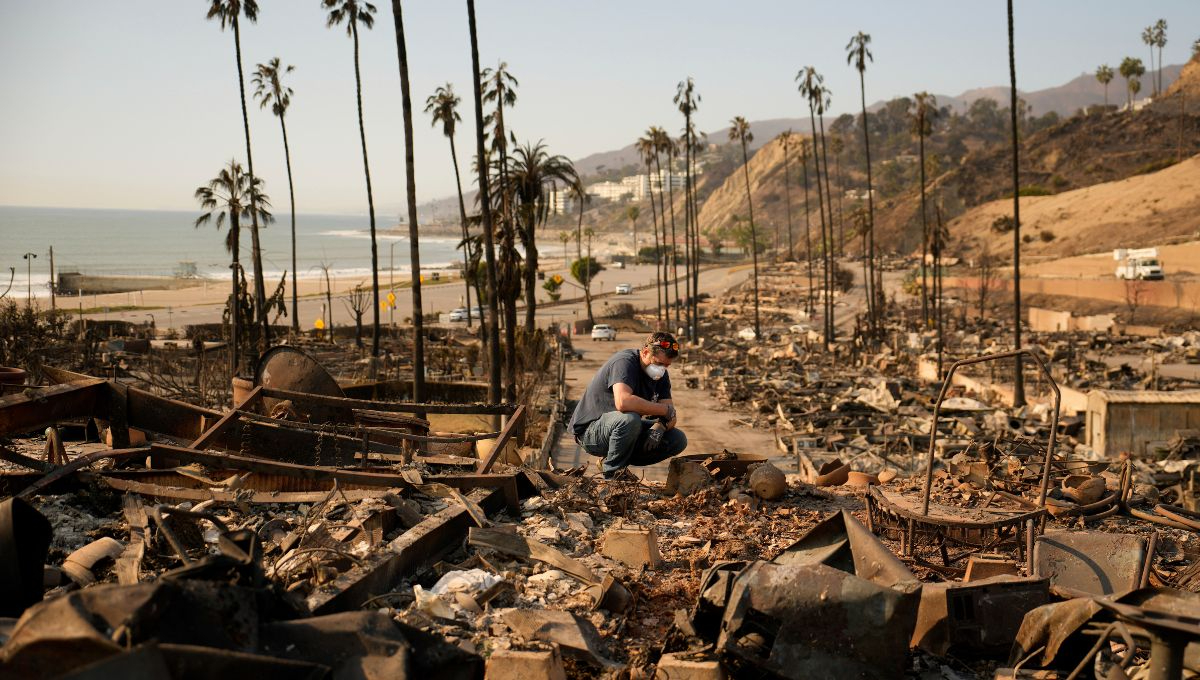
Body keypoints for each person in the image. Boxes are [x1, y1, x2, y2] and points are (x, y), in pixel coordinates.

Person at [568, 331, 688, 478]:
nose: (662, 369)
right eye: (659, 363)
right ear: (645, 353)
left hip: (623, 430)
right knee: (630, 419)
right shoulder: (625, 362)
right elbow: (623, 402)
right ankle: (612, 475)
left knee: (677, 439)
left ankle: (612, 461)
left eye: (667, 365)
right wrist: (664, 411)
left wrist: (661, 426)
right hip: (590, 431)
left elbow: (671, 415)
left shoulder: (661, 376)